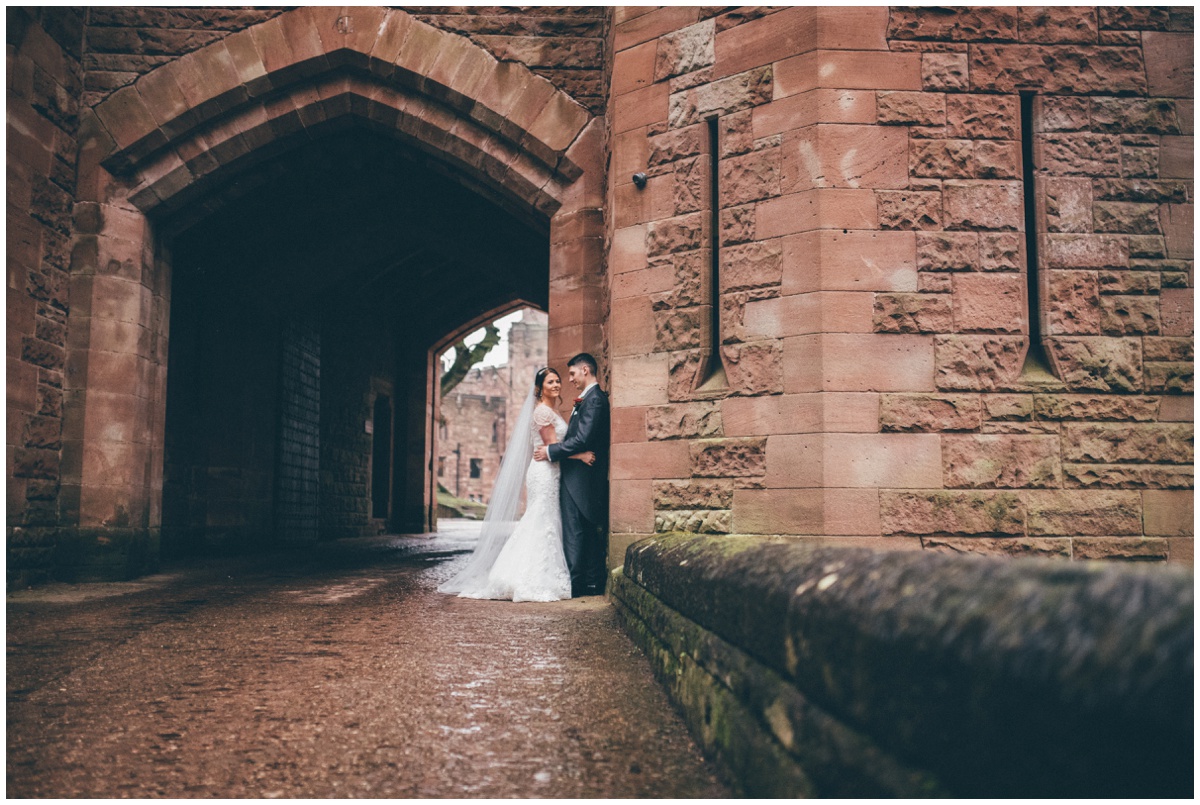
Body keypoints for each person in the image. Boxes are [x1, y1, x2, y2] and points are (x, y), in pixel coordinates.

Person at [438, 367, 595, 602]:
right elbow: (552, 447)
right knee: (540, 520)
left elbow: (552, 448)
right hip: (544, 472)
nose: (556, 385)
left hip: (552, 472)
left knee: (548, 520)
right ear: (540, 388)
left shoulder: (551, 411)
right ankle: (527, 576)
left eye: (558, 381)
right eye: (550, 382)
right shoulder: (542, 413)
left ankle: (540, 572)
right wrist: (580, 455)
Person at [533, 353, 609, 597]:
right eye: (553, 381)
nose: (569, 380)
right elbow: (576, 440)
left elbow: (583, 438)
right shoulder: (585, 399)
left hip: (580, 477)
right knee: (575, 530)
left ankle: (579, 583)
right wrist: (559, 452)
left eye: (572, 374)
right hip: (569, 474)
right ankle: (581, 581)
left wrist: (552, 451)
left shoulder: (594, 399)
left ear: (585, 370)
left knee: (576, 531)